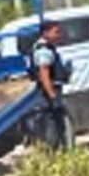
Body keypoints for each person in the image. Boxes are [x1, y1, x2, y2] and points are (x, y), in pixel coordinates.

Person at [29, 20, 73, 150]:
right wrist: (52, 96)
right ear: (45, 33)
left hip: (49, 92)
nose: (59, 35)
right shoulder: (44, 50)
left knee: (56, 123)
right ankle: (54, 151)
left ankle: (58, 149)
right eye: (56, 32)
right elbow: (44, 75)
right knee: (52, 124)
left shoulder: (47, 48)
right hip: (48, 94)